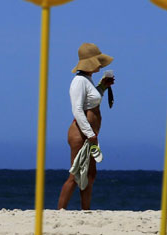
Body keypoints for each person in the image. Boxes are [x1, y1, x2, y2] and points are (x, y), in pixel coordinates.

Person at [57, 43, 114, 210]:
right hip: (81, 133)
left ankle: (85, 209)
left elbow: (91, 101)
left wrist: (103, 86)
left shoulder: (87, 80)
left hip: (89, 134)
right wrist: (90, 133)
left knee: (89, 174)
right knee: (75, 175)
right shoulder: (79, 81)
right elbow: (77, 109)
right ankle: (60, 211)